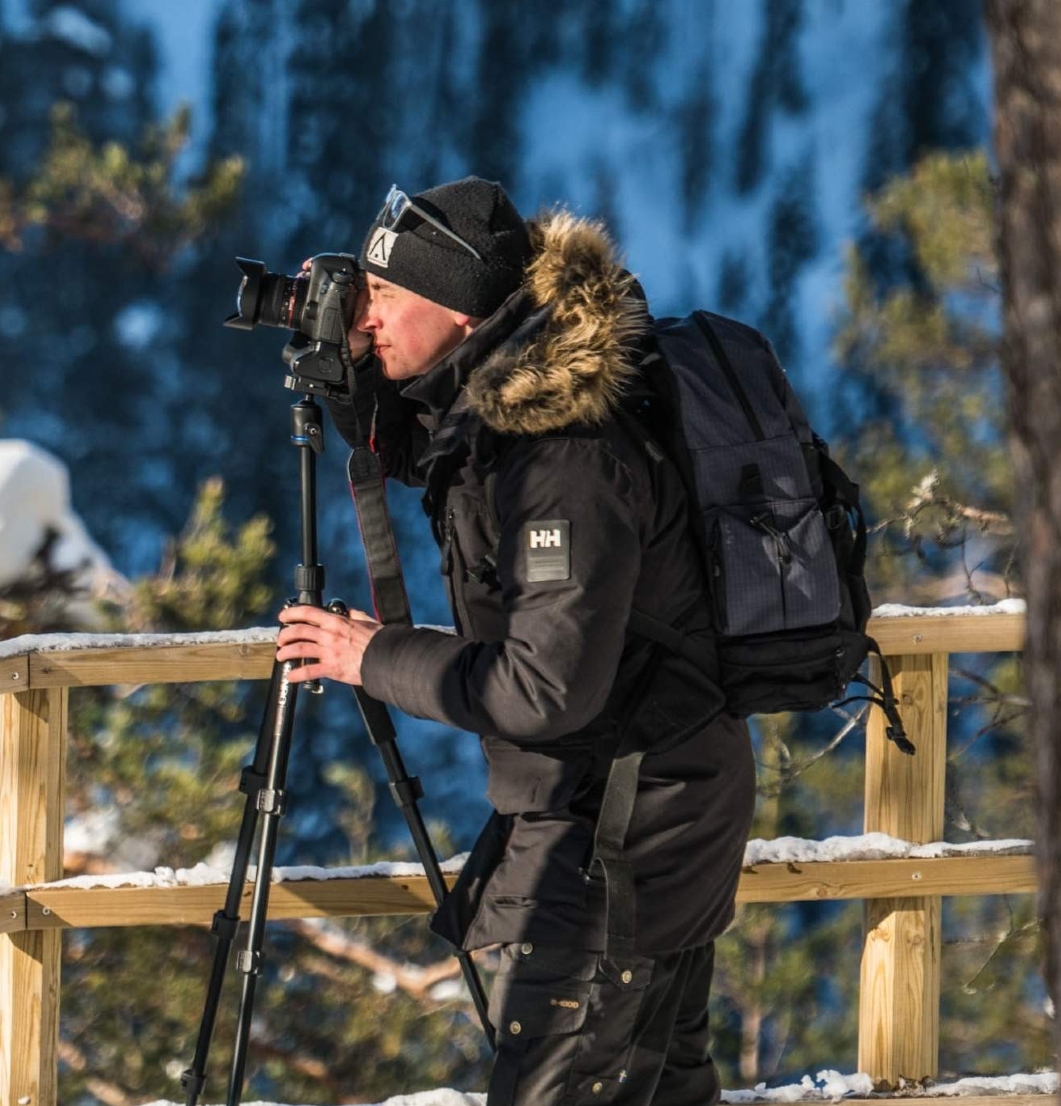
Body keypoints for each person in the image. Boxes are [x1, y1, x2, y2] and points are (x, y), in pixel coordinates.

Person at [272, 177, 755, 1106]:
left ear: (458, 312)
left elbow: (545, 690)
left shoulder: (564, 453)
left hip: (627, 824)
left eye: (383, 300)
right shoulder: (511, 402)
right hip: (640, 802)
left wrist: (367, 655)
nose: (363, 318)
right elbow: (438, 456)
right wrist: (357, 385)